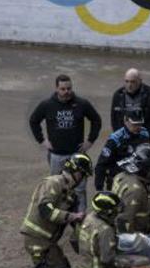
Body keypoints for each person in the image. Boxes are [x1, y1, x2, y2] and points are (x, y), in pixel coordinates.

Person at [19, 153, 92, 268]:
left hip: (48, 240)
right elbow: (45, 210)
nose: (83, 179)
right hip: (36, 238)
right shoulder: (53, 182)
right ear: (75, 172)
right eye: (83, 175)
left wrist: (86, 236)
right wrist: (71, 216)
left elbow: (76, 224)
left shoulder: (71, 194)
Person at [28, 74, 102, 210]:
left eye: (69, 88)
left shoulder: (82, 104)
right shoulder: (47, 105)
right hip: (56, 155)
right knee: (56, 187)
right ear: (57, 88)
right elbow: (33, 121)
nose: (66, 92)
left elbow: (96, 120)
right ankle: (58, 216)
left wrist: (90, 141)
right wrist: (42, 140)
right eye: (63, 89)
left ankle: (80, 217)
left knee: (79, 189)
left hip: (77, 154)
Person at [110, 68, 150, 149]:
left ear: (140, 81)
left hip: (148, 141)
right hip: (126, 142)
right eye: (127, 81)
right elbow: (114, 120)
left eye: (133, 82)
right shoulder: (118, 96)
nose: (129, 85)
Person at [95, 109, 150, 192]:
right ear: (126, 121)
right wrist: (99, 189)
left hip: (140, 179)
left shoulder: (145, 134)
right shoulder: (115, 139)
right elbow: (101, 164)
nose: (138, 127)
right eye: (134, 124)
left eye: (140, 124)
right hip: (118, 180)